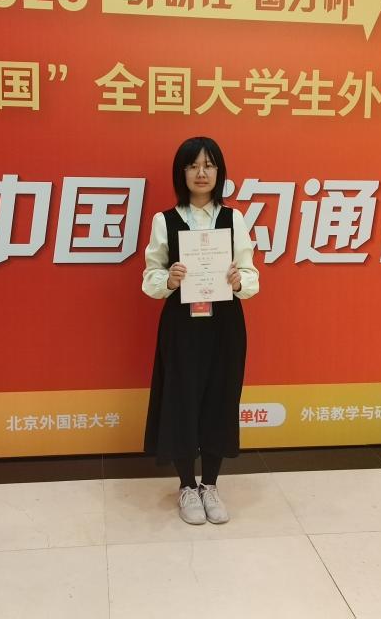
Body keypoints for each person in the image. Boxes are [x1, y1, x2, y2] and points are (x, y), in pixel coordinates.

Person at [142, 136, 259, 524]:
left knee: (219, 399)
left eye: (209, 165)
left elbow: (250, 273)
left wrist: (239, 280)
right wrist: (170, 279)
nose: (201, 173)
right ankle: (186, 486)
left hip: (225, 324)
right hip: (182, 324)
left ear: (219, 172)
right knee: (181, 399)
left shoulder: (234, 218)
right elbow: (151, 275)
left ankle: (210, 484)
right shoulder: (165, 220)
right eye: (193, 165)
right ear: (182, 173)